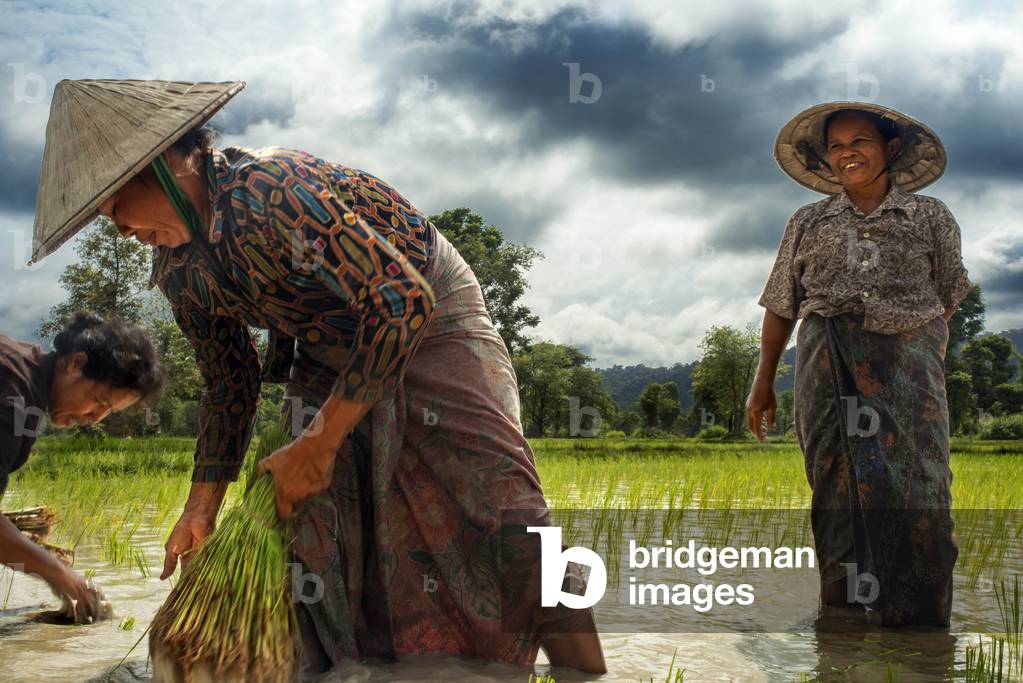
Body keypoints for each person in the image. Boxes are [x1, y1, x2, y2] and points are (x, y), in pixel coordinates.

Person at [30, 79, 606, 674]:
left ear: (170, 164)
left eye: (118, 208)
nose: (120, 230)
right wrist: (201, 508)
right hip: (326, 343)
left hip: (431, 311)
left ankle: (584, 672)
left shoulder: (271, 190)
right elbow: (231, 385)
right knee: (318, 528)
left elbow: (402, 302)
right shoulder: (179, 267)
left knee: (504, 511)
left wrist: (321, 442)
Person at [746, 101, 971, 627]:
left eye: (860, 141)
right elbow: (782, 305)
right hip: (825, 358)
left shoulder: (931, 216)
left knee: (919, 484)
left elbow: (948, 296)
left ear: (890, 148)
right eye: (837, 146)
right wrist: (764, 383)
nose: (848, 153)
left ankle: (918, 627)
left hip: (906, 364)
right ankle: (843, 623)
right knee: (834, 485)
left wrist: (910, 343)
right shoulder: (808, 221)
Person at [0, 312, 163, 623]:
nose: (93, 419)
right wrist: (59, 573)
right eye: (98, 400)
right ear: (75, 363)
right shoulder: (13, 393)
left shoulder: (24, 378)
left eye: (108, 411)